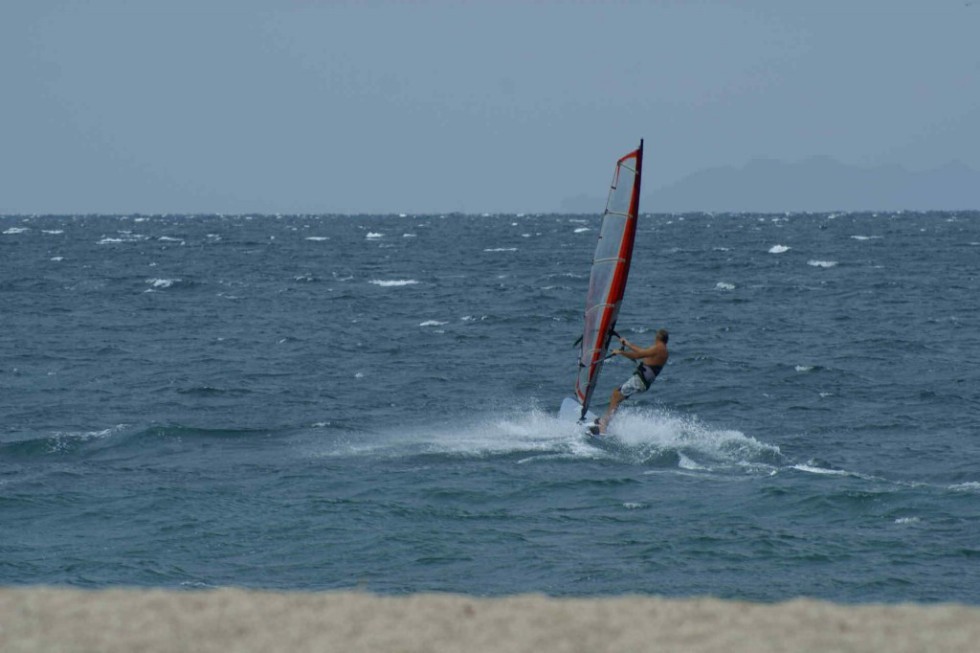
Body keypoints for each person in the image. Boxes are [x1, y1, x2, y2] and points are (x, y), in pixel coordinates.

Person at [592, 329, 669, 435]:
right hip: (643, 381)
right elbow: (641, 351)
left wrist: (620, 352)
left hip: (640, 380)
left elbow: (636, 356)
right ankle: (605, 421)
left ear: (657, 338)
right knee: (617, 396)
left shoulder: (659, 348)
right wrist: (627, 343)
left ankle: (603, 426)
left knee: (616, 394)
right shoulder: (662, 349)